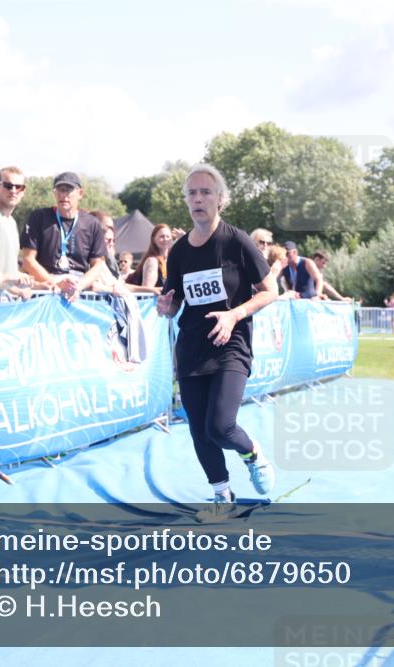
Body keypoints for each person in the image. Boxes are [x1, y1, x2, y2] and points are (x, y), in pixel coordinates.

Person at [155, 164, 278, 520]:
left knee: (220, 425)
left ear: (220, 200)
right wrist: (167, 306)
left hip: (231, 343)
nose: (198, 198)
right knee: (199, 431)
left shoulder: (236, 240)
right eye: (192, 193)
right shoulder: (177, 251)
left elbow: (271, 291)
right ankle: (222, 494)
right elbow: (175, 299)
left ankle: (253, 454)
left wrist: (233, 315)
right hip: (192, 347)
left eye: (206, 192)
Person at [20, 172, 106, 302]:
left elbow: (98, 265)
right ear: (54, 193)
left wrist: (78, 286)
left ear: (80, 193)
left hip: (78, 290)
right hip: (47, 289)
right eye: (59, 190)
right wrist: (54, 283)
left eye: (68, 190)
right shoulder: (39, 217)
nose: (63, 195)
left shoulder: (92, 223)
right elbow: (27, 260)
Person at [0, 166, 26, 275]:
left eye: (18, 187)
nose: (13, 190)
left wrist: (38, 285)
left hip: (6, 291)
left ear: (23, 191)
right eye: (8, 186)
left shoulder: (12, 222)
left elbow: (10, 270)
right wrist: (5, 282)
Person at [125, 223, 174, 295]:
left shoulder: (171, 260)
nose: (165, 239)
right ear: (154, 239)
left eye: (168, 236)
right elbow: (147, 291)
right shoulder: (152, 261)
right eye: (161, 236)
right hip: (152, 304)